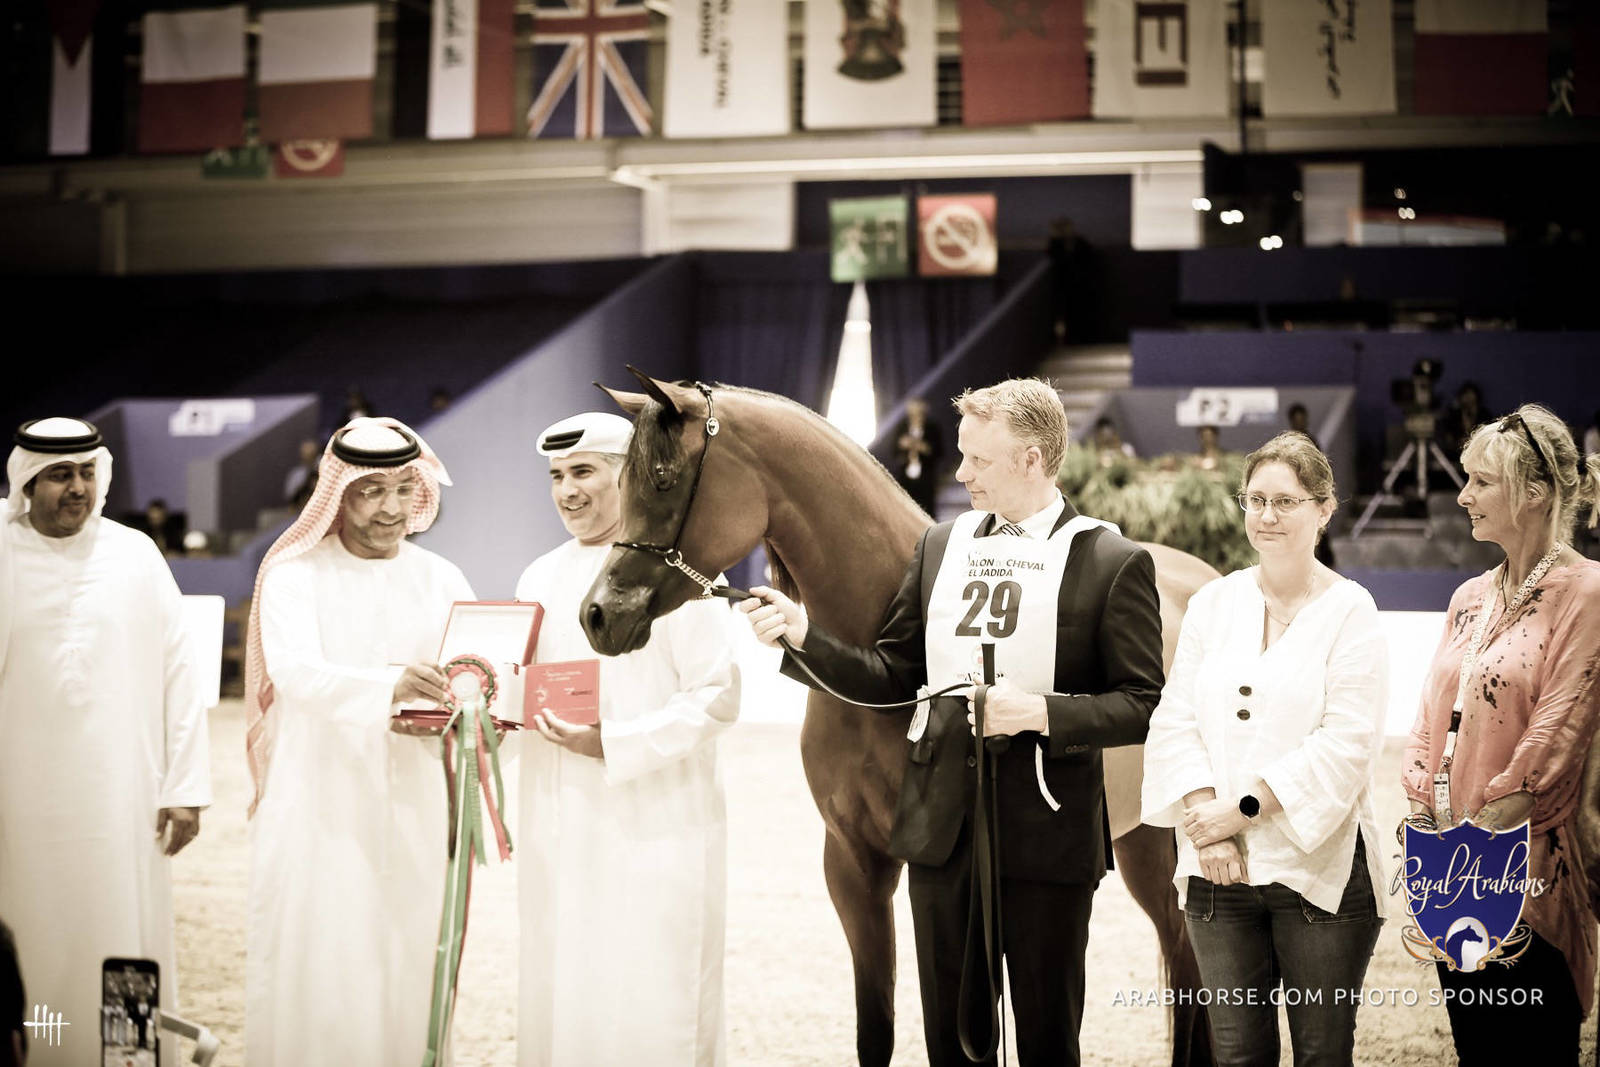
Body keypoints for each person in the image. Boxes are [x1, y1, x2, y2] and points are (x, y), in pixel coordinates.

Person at [739, 378, 1163, 1067]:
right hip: (942, 834)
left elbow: (1144, 702)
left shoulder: (1109, 561)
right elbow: (889, 674)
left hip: (1048, 835)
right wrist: (803, 636)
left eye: (978, 460)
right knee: (951, 1042)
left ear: (1032, 459)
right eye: (961, 455)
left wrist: (1040, 713)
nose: (960, 472)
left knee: (1049, 1037)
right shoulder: (941, 546)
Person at [1142, 431, 1388, 1065]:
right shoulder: (1213, 603)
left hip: (1318, 874)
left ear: (1324, 509)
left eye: (1286, 501)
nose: (1267, 516)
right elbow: (1175, 720)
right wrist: (1209, 826)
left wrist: (1242, 811)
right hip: (1218, 872)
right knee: (1236, 1056)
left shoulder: (1351, 610)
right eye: (1255, 500)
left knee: (1321, 1055)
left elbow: (1346, 743)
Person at [244, 417, 476, 1067]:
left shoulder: (443, 577)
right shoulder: (296, 573)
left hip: (417, 799)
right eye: (372, 491)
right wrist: (390, 686)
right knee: (325, 948)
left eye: (405, 488)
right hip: (321, 798)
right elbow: (294, 671)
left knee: (408, 944)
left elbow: (475, 676)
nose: (392, 508)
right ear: (338, 495)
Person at [514, 412, 740, 1067]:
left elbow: (718, 697)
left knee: (649, 998)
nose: (566, 490)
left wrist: (614, 742)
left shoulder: (683, 575)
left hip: (654, 831)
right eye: (556, 476)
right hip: (555, 830)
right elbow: (523, 688)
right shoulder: (537, 576)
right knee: (561, 989)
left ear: (632, 476)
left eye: (583, 471)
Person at [0, 417, 211, 1067]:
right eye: (60, 474)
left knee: (123, 938)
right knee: (29, 936)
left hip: (124, 796)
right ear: (27, 480)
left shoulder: (134, 554)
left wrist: (185, 786)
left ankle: (124, 1056)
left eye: (87, 472)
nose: (77, 487)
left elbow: (182, 671)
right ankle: (36, 1047)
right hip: (17, 802)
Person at [1403, 404, 1600, 1064]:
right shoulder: (1468, 596)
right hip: (1450, 871)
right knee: (1478, 1051)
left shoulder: (1587, 592)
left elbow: (1559, 729)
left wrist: (1480, 836)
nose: (1463, 496)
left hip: (1530, 872)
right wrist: (1425, 818)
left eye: (1481, 481)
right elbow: (1428, 716)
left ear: (1534, 493)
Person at [891, 397, 944, 516]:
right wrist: (903, 445)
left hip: (926, 474)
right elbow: (893, 450)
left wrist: (924, 448)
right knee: (904, 507)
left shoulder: (932, 427)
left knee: (927, 509)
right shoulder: (901, 427)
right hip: (905, 473)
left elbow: (939, 451)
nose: (915, 410)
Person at [281, 438, 320, 509]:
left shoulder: (324, 470)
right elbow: (291, 500)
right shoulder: (296, 475)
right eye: (306, 454)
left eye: (312, 454)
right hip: (300, 511)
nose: (309, 457)